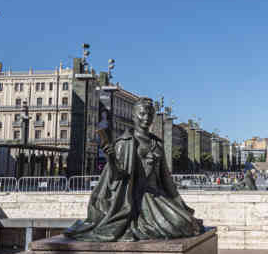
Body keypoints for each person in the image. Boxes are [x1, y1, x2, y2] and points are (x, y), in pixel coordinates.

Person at [65, 98, 203, 242]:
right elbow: (116, 179)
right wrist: (111, 158)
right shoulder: (124, 143)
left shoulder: (157, 144)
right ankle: (142, 224)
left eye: (150, 115)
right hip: (137, 198)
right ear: (133, 116)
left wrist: (179, 204)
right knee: (180, 224)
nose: (146, 118)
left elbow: (166, 179)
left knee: (188, 223)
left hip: (157, 195)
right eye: (142, 114)